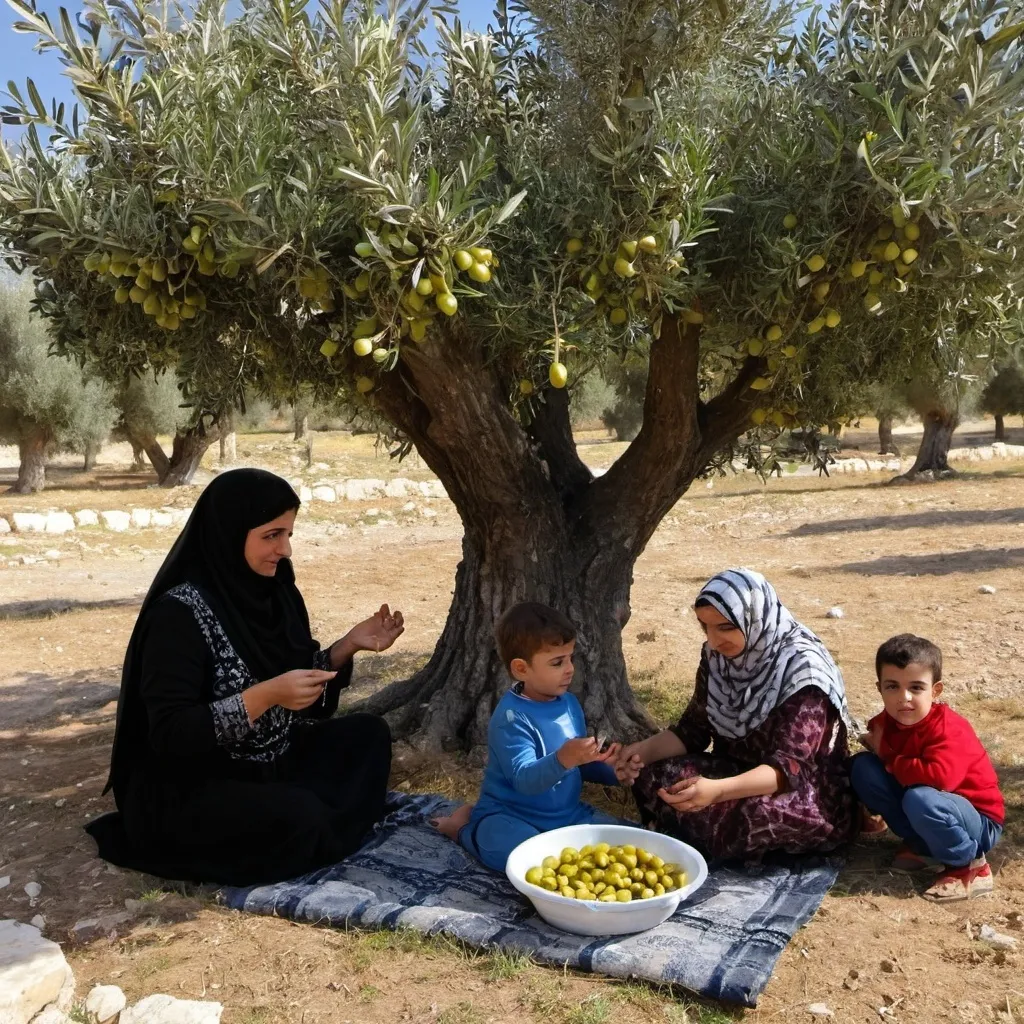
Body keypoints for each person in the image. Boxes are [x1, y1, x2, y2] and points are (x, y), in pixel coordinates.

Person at [86, 468, 404, 886]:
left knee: (369, 735)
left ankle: (317, 829)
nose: (284, 549)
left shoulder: (277, 591)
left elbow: (305, 703)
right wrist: (265, 696)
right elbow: (170, 733)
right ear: (230, 532)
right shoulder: (178, 614)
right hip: (196, 780)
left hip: (269, 760)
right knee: (301, 816)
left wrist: (346, 647)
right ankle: (319, 827)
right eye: (271, 536)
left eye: (288, 534)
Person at [619, 568, 858, 861]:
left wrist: (717, 792)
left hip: (799, 791)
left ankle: (689, 830)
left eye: (725, 627)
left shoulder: (803, 671)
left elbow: (789, 770)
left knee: (755, 816)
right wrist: (639, 754)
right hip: (733, 771)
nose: (714, 639)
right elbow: (692, 731)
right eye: (705, 627)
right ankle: (696, 831)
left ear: (755, 619)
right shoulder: (717, 658)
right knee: (657, 774)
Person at [434, 602, 635, 871]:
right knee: (524, 857)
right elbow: (525, 781)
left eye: (570, 658)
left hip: (566, 816)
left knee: (626, 844)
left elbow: (575, 766)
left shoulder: (569, 704)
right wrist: (564, 757)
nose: (570, 669)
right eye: (557, 662)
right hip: (513, 817)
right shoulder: (511, 718)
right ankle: (463, 829)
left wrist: (611, 771)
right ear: (521, 669)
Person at [850, 634, 1004, 902]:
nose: (904, 697)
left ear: (936, 690)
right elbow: (875, 739)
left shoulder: (949, 728)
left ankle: (968, 865)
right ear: (879, 688)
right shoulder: (888, 723)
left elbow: (939, 778)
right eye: (892, 687)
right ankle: (923, 846)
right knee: (863, 767)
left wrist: (885, 752)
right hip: (927, 806)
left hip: (975, 821)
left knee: (920, 797)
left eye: (917, 688)